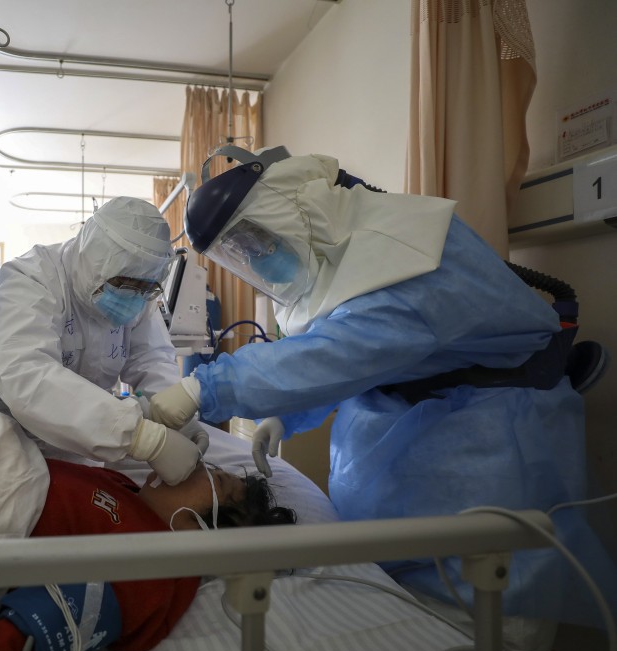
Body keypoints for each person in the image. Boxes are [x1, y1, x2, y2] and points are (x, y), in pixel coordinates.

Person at [148, 147, 616, 626]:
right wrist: (286, 415)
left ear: (294, 210)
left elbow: (342, 351)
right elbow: (357, 353)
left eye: (252, 240)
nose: (254, 259)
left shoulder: (407, 263)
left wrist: (202, 389)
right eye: (238, 252)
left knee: (494, 606)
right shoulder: (345, 263)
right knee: (401, 590)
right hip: (418, 431)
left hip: (486, 442)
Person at [0, 458, 297, 651]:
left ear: (204, 528)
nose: (197, 465)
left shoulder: (150, 571)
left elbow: (18, 644)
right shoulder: (128, 489)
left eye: (215, 478)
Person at [0, 197, 208, 486]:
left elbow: (149, 359)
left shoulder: (138, 296)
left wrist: (175, 417)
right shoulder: (28, 282)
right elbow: (28, 377)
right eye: (125, 285)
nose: (135, 297)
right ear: (91, 260)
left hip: (85, 436)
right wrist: (142, 437)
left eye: (146, 288)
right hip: (2, 437)